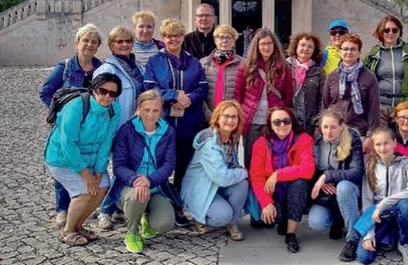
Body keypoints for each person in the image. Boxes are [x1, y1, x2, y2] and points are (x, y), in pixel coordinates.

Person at [44, 73, 122, 246]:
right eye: (103, 91)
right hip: (62, 158)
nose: (107, 96)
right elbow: (67, 143)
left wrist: (100, 170)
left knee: (102, 187)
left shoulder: (114, 110)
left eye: (113, 93)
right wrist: (85, 173)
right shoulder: (76, 107)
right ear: (94, 89)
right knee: (84, 192)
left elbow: (106, 142)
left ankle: (79, 226)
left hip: (91, 159)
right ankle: (68, 231)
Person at [39, 23, 104, 227]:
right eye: (85, 40)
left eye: (94, 42)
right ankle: (62, 208)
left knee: (88, 162)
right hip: (67, 125)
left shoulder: (100, 68)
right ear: (77, 43)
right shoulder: (65, 67)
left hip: (91, 128)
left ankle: (83, 201)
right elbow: (45, 92)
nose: (89, 45)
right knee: (65, 164)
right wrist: (59, 113)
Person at [144, 18, 208, 191]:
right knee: (161, 163)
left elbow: (203, 87)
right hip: (163, 121)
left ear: (183, 37)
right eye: (169, 36)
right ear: (163, 38)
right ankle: (160, 199)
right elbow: (150, 87)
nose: (174, 39)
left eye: (178, 35)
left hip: (188, 122)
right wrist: (173, 95)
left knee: (184, 163)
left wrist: (190, 98)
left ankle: (179, 199)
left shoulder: (193, 61)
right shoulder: (155, 61)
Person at [111, 90, 177, 253]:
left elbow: (169, 164)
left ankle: (145, 218)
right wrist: (136, 181)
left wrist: (149, 181)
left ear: (161, 111)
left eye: (155, 110)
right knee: (137, 196)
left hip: (155, 188)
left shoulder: (168, 132)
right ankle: (132, 233)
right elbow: (119, 165)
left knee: (164, 224)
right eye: (146, 110)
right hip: (129, 188)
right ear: (139, 109)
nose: (150, 115)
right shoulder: (126, 131)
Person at [93, 26, 146, 230]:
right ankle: (104, 211)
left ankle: (115, 209)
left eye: (127, 41)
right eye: (119, 41)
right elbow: (100, 101)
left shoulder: (137, 67)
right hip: (116, 127)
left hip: (135, 128)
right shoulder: (108, 69)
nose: (124, 44)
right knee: (121, 171)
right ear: (111, 44)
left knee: (127, 169)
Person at [249, 107, 315, 254]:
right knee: (273, 218)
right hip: (272, 193)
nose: (282, 125)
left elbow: (308, 169)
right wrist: (266, 203)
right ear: (270, 125)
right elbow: (257, 176)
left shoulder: (304, 139)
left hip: (294, 191)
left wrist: (278, 174)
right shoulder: (260, 144)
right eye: (277, 122)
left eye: (286, 121)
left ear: (292, 123)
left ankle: (291, 234)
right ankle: (282, 217)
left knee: (300, 183)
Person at [181, 100, 249, 241]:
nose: (230, 120)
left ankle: (233, 222)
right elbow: (222, 178)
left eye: (234, 117)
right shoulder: (210, 143)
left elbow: (231, 168)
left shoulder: (231, 138)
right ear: (217, 118)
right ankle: (200, 217)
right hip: (200, 190)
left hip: (216, 187)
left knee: (242, 184)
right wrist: (243, 172)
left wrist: (238, 174)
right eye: (226, 116)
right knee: (222, 216)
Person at [355, 128, 408, 265]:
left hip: (400, 211)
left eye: (386, 143)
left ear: (395, 143)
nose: (383, 148)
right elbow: (367, 201)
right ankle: (390, 236)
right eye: (378, 144)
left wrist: (384, 203)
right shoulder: (370, 167)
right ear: (373, 146)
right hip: (380, 216)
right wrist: (369, 234)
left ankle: (404, 242)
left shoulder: (406, 163)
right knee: (363, 257)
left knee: (406, 204)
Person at [308, 109, 364, 262]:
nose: (329, 131)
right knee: (315, 223)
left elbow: (357, 172)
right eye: (325, 127)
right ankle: (340, 219)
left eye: (333, 127)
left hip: (350, 189)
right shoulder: (317, 141)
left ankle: (352, 239)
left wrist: (328, 176)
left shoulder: (352, 139)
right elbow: (312, 170)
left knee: (343, 187)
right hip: (328, 193)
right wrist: (320, 180)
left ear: (341, 126)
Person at [233, 28, 293, 167]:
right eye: (263, 44)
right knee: (251, 158)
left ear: (275, 45)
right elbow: (238, 96)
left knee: (272, 158)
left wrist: (280, 113)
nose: (266, 47)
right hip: (252, 120)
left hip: (273, 121)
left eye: (269, 44)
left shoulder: (284, 67)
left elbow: (288, 95)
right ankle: (252, 188)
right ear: (257, 46)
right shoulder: (246, 67)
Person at [364, 15, 408, 129]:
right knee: (382, 143)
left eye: (394, 30)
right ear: (381, 32)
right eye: (386, 30)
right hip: (380, 109)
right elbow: (365, 85)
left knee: (403, 145)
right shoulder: (372, 55)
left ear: (399, 32)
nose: (390, 33)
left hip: (404, 108)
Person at [322, 33, 381, 153]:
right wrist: (322, 131)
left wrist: (370, 136)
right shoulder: (332, 76)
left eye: (353, 49)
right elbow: (325, 106)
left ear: (359, 52)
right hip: (335, 132)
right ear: (340, 52)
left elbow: (374, 109)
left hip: (359, 132)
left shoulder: (369, 77)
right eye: (345, 49)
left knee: (357, 169)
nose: (349, 52)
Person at [200, 25, 244, 123]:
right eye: (221, 37)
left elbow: (245, 93)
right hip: (207, 117)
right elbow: (199, 91)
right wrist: (209, 115)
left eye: (229, 37)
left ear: (234, 41)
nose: (224, 40)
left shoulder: (243, 64)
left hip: (232, 118)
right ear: (215, 40)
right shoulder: (203, 63)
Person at [286, 32, 324, 133]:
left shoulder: (318, 71)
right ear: (295, 46)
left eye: (310, 47)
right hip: (286, 120)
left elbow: (321, 99)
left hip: (308, 123)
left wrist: (317, 123)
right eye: (302, 45)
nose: (306, 49)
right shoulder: (284, 66)